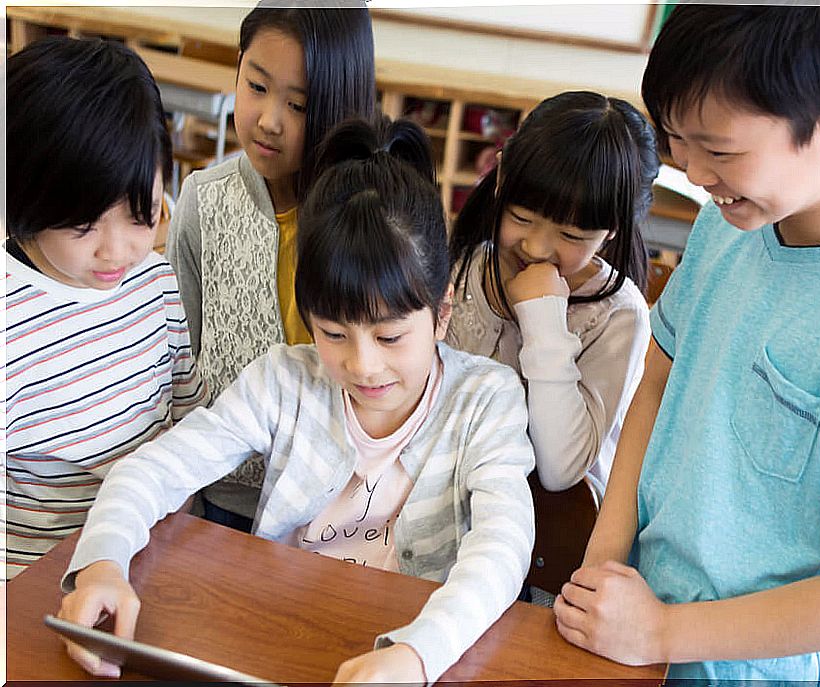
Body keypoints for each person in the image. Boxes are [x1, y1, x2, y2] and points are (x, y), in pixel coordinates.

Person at [553, 6, 820, 682]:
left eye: (718, 151)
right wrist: (606, 558)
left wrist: (664, 629)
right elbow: (658, 380)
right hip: (634, 630)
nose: (692, 173)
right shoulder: (734, 222)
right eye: (678, 144)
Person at [56, 116, 536, 686]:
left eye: (389, 337)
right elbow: (154, 470)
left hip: (415, 651)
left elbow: (502, 548)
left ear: (443, 312)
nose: (362, 365)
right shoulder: (285, 382)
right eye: (333, 334)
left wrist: (417, 654)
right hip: (282, 639)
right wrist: (102, 563)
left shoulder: (485, 399)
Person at [166, 1, 377, 529]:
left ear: (340, 103)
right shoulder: (203, 199)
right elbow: (176, 357)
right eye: (256, 87)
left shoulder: (369, 213)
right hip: (224, 498)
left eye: (299, 105)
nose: (268, 120)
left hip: (337, 508)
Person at [5, 37, 208, 580]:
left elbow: (187, 418)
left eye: (142, 215)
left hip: (152, 558)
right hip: (36, 590)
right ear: (25, 193)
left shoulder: (155, 281)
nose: (117, 250)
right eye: (83, 224)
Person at [447, 91, 658, 496]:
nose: (536, 248)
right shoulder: (466, 265)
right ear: (502, 177)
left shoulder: (618, 315)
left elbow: (560, 469)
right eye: (522, 218)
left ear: (611, 230)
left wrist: (543, 319)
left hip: (555, 533)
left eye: (571, 235)